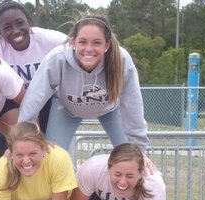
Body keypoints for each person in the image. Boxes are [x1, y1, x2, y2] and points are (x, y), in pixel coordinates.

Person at [18, 15, 149, 152]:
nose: (89, 49)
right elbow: (35, 97)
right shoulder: (57, 58)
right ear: (73, 42)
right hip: (67, 110)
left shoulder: (120, 59)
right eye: (82, 42)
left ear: (107, 45)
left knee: (132, 156)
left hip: (110, 109)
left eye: (97, 43)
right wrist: (22, 137)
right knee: (54, 157)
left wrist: (139, 149)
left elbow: (132, 103)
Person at [0, 0, 68, 160]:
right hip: (12, 103)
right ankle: (4, 175)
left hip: (46, 100)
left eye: (20, 23)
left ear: (28, 21)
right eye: (7, 27)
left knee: (50, 148)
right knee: (9, 138)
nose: (15, 30)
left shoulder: (49, 39)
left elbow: (78, 47)